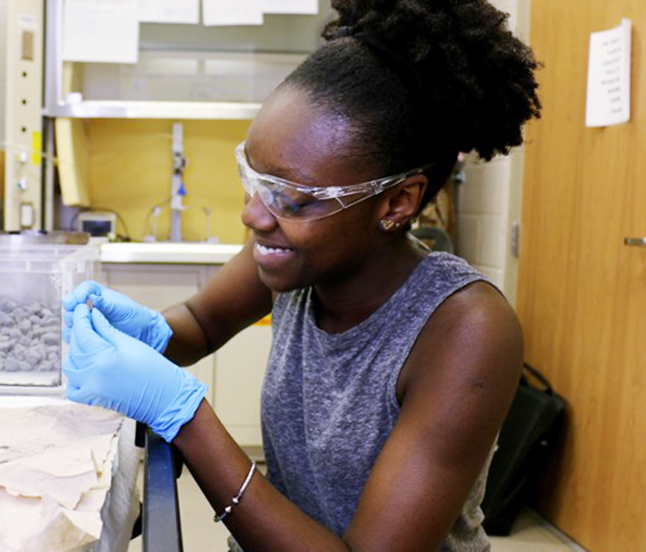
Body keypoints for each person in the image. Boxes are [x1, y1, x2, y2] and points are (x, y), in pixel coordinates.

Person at [62, 0, 541, 550]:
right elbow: (200, 320)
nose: (253, 214)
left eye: (290, 195)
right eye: (254, 177)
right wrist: (144, 335)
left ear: (396, 203)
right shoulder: (293, 256)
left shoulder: (466, 330)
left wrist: (184, 416)